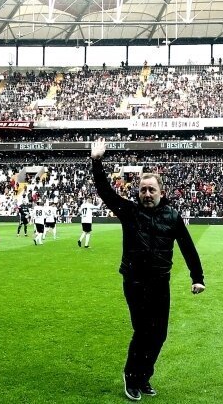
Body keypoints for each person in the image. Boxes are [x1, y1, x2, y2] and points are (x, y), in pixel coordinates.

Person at [90, 138, 205, 401]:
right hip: (134, 281)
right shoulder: (129, 212)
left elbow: (188, 247)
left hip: (160, 283)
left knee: (159, 335)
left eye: (151, 189)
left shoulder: (172, 217)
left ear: (161, 192)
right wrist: (96, 161)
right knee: (143, 331)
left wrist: (197, 277)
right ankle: (131, 377)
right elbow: (105, 192)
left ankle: (144, 377)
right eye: (143, 189)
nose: (147, 194)